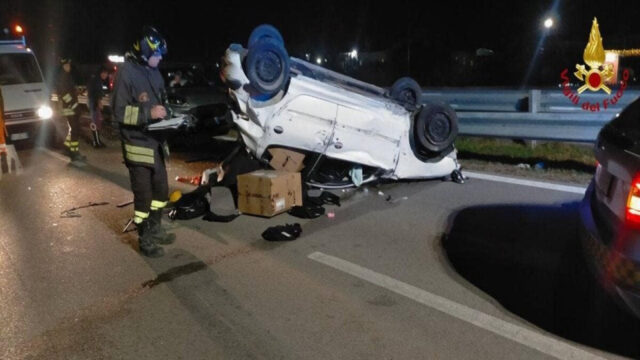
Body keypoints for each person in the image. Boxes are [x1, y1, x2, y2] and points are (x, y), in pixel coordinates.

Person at [111, 26, 175, 257]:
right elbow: (118, 113)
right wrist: (148, 113)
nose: (160, 59)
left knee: (161, 192)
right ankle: (145, 239)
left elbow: (161, 102)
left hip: (156, 144)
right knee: (144, 197)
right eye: (156, 55)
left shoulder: (153, 71)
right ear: (145, 52)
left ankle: (156, 229)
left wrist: (169, 113)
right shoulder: (126, 72)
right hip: (138, 146)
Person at [55, 58, 86, 162]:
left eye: (69, 65)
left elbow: (68, 91)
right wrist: (72, 104)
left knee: (73, 129)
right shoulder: (63, 77)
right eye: (68, 65)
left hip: (71, 107)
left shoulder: (66, 76)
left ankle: (67, 147)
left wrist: (76, 92)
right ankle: (74, 152)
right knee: (75, 130)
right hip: (70, 108)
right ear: (64, 66)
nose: (69, 67)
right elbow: (64, 93)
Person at [87, 65, 110, 148]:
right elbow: (96, 92)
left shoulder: (96, 79)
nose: (106, 76)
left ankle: (97, 141)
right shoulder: (97, 80)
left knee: (97, 122)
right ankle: (96, 142)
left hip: (93, 102)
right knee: (95, 122)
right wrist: (99, 102)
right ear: (102, 73)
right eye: (106, 74)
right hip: (94, 103)